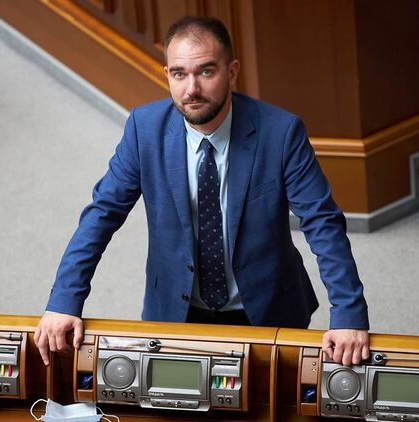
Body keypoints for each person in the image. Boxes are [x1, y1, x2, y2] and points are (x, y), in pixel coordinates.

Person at [35, 16, 369, 367]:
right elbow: (102, 214)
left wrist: (348, 313)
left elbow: (322, 222)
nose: (191, 89)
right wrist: (63, 301)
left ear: (232, 71)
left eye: (206, 72)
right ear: (167, 74)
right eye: (179, 74)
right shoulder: (144, 129)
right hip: (175, 310)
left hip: (268, 308)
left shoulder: (281, 133)